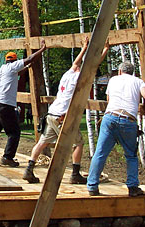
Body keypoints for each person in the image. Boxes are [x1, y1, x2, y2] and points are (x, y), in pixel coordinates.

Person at [23, 40, 109, 184]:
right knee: (79, 143)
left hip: (52, 113)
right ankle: (75, 174)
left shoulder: (67, 75)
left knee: (42, 142)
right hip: (62, 116)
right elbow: (94, 65)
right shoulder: (79, 78)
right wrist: (105, 49)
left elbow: (75, 63)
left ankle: (29, 169)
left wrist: (83, 48)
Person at [86, 61, 145, 197]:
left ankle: (92, 186)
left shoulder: (113, 80)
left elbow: (109, 99)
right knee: (130, 155)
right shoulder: (138, 82)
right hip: (127, 120)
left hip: (109, 118)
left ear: (120, 71)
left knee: (100, 153)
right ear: (133, 72)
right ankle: (132, 187)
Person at [0, 41, 46, 166]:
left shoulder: (2, 69)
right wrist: (41, 50)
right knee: (14, 132)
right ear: (15, 60)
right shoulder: (13, 66)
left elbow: (17, 73)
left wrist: (27, 68)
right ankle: (8, 157)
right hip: (5, 104)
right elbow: (29, 58)